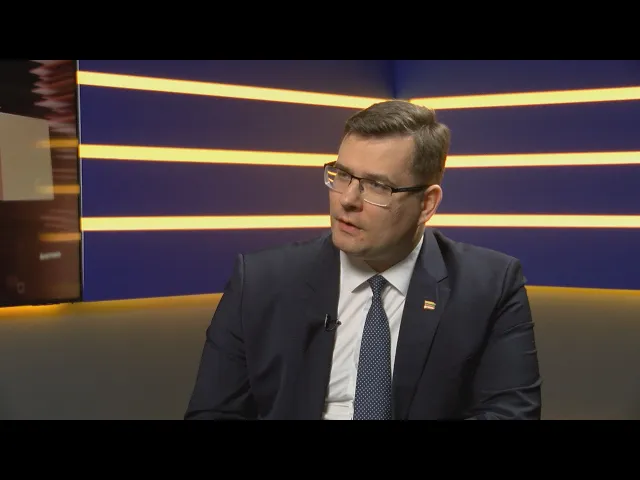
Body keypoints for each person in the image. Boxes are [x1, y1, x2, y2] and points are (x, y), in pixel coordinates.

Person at [185, 100, 542, 420]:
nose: (347, 200)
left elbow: (511, 412)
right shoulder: (260, 281)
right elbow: (212, 412)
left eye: (377, 186)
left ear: (427, 204)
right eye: (342, 175)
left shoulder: (490, 285)